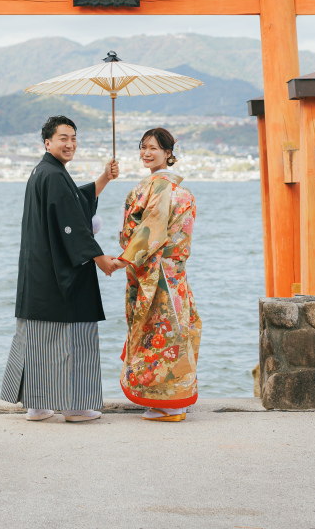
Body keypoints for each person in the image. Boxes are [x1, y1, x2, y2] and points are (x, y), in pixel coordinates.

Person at [1, 114, 121, 424]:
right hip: (59, 274)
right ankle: (74, 406)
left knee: (40, 340)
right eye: (63, 138)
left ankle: (38, 406)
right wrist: (99, 258)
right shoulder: (53, 175)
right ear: (48, 142)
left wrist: (104, 179)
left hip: (39, 274)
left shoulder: (46, 171)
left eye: (73, 138)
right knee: (72, 339)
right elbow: (71, 223)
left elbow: (74, 201)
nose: (70, 144)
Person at [117, 127, 201, 422]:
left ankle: (170, 404)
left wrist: (121, 260)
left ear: (168, 153)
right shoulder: (183, 192)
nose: (146, 153)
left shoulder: (154, 188)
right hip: (176, 273)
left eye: (153, 148)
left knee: (159, 335)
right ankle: (174, 401)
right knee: (175, 333)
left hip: (156, 274)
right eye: (142, 147)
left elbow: (145, 234)